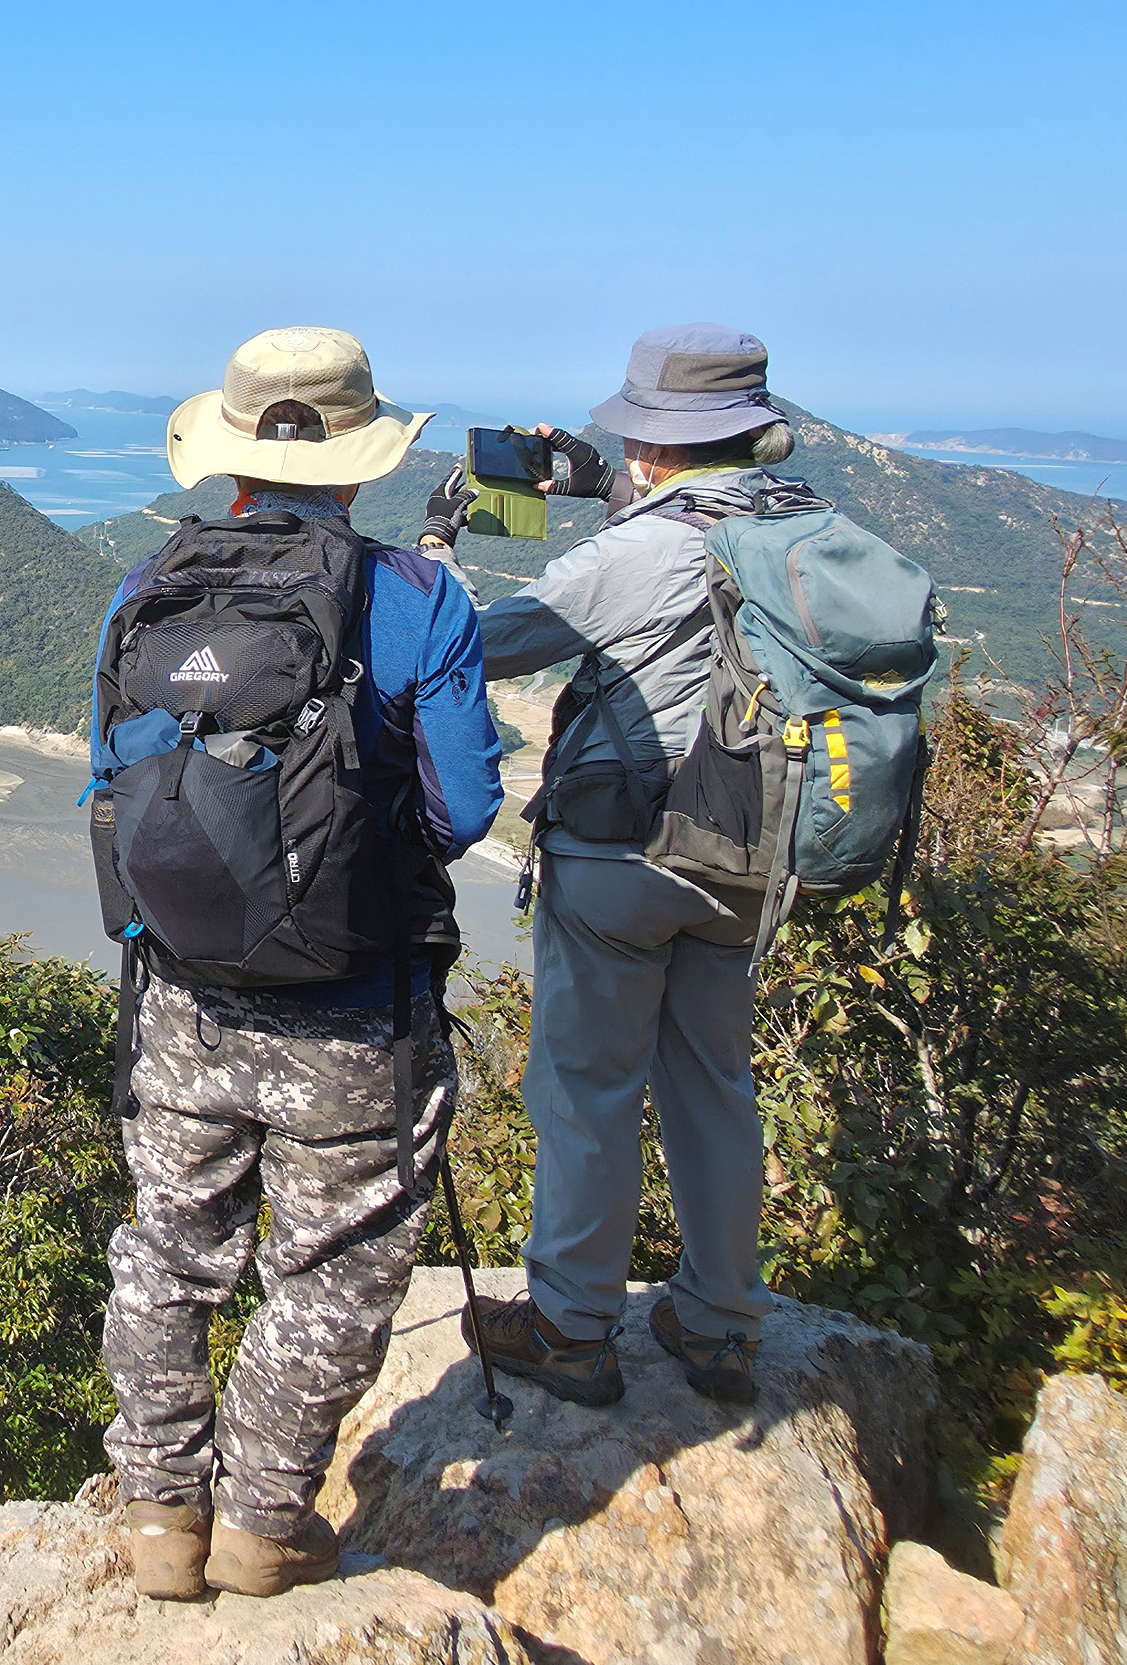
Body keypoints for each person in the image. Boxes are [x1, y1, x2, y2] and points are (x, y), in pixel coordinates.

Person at [93, 327, 505, 1599]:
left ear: (230, 455)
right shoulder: (418, 599)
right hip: (354, 1006)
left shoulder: (146, 587)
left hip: (185, 1002)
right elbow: (465, 808)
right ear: (360, 459)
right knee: (334, 1269)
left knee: (169, 1251)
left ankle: (159, 1513)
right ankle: (264, 1524)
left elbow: (114, 784)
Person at [437, 321, 802, 1411]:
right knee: (715, 1085)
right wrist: (611, 492)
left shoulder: (639, 553)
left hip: (624, 853)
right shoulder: (798, 528)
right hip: (749, 851)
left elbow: (473, 646)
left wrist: (439, 545)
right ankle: (722, 1323)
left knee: (588, 1090)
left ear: (652, 441)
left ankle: (573, 1327)